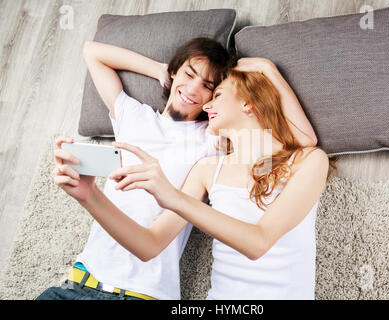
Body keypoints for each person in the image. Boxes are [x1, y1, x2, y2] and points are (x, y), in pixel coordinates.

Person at [36, 37, 318, 300]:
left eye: (211, 89)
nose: (198, 92)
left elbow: (301, 141)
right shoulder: (134, 116)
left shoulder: (210, 139)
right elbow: (92, 51)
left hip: (141, 292)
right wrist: (162, 70)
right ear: (174, 72)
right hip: (76, 281)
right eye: (189, 74)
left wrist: (267, 69)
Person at [107, 68, 335, 300]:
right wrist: (88, 195)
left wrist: (268, 69)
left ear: (248, 103)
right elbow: (150, 245)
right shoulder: (207, 170)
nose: (206, 106)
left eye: (217, 96)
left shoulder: (308, 160)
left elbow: (259, 242)